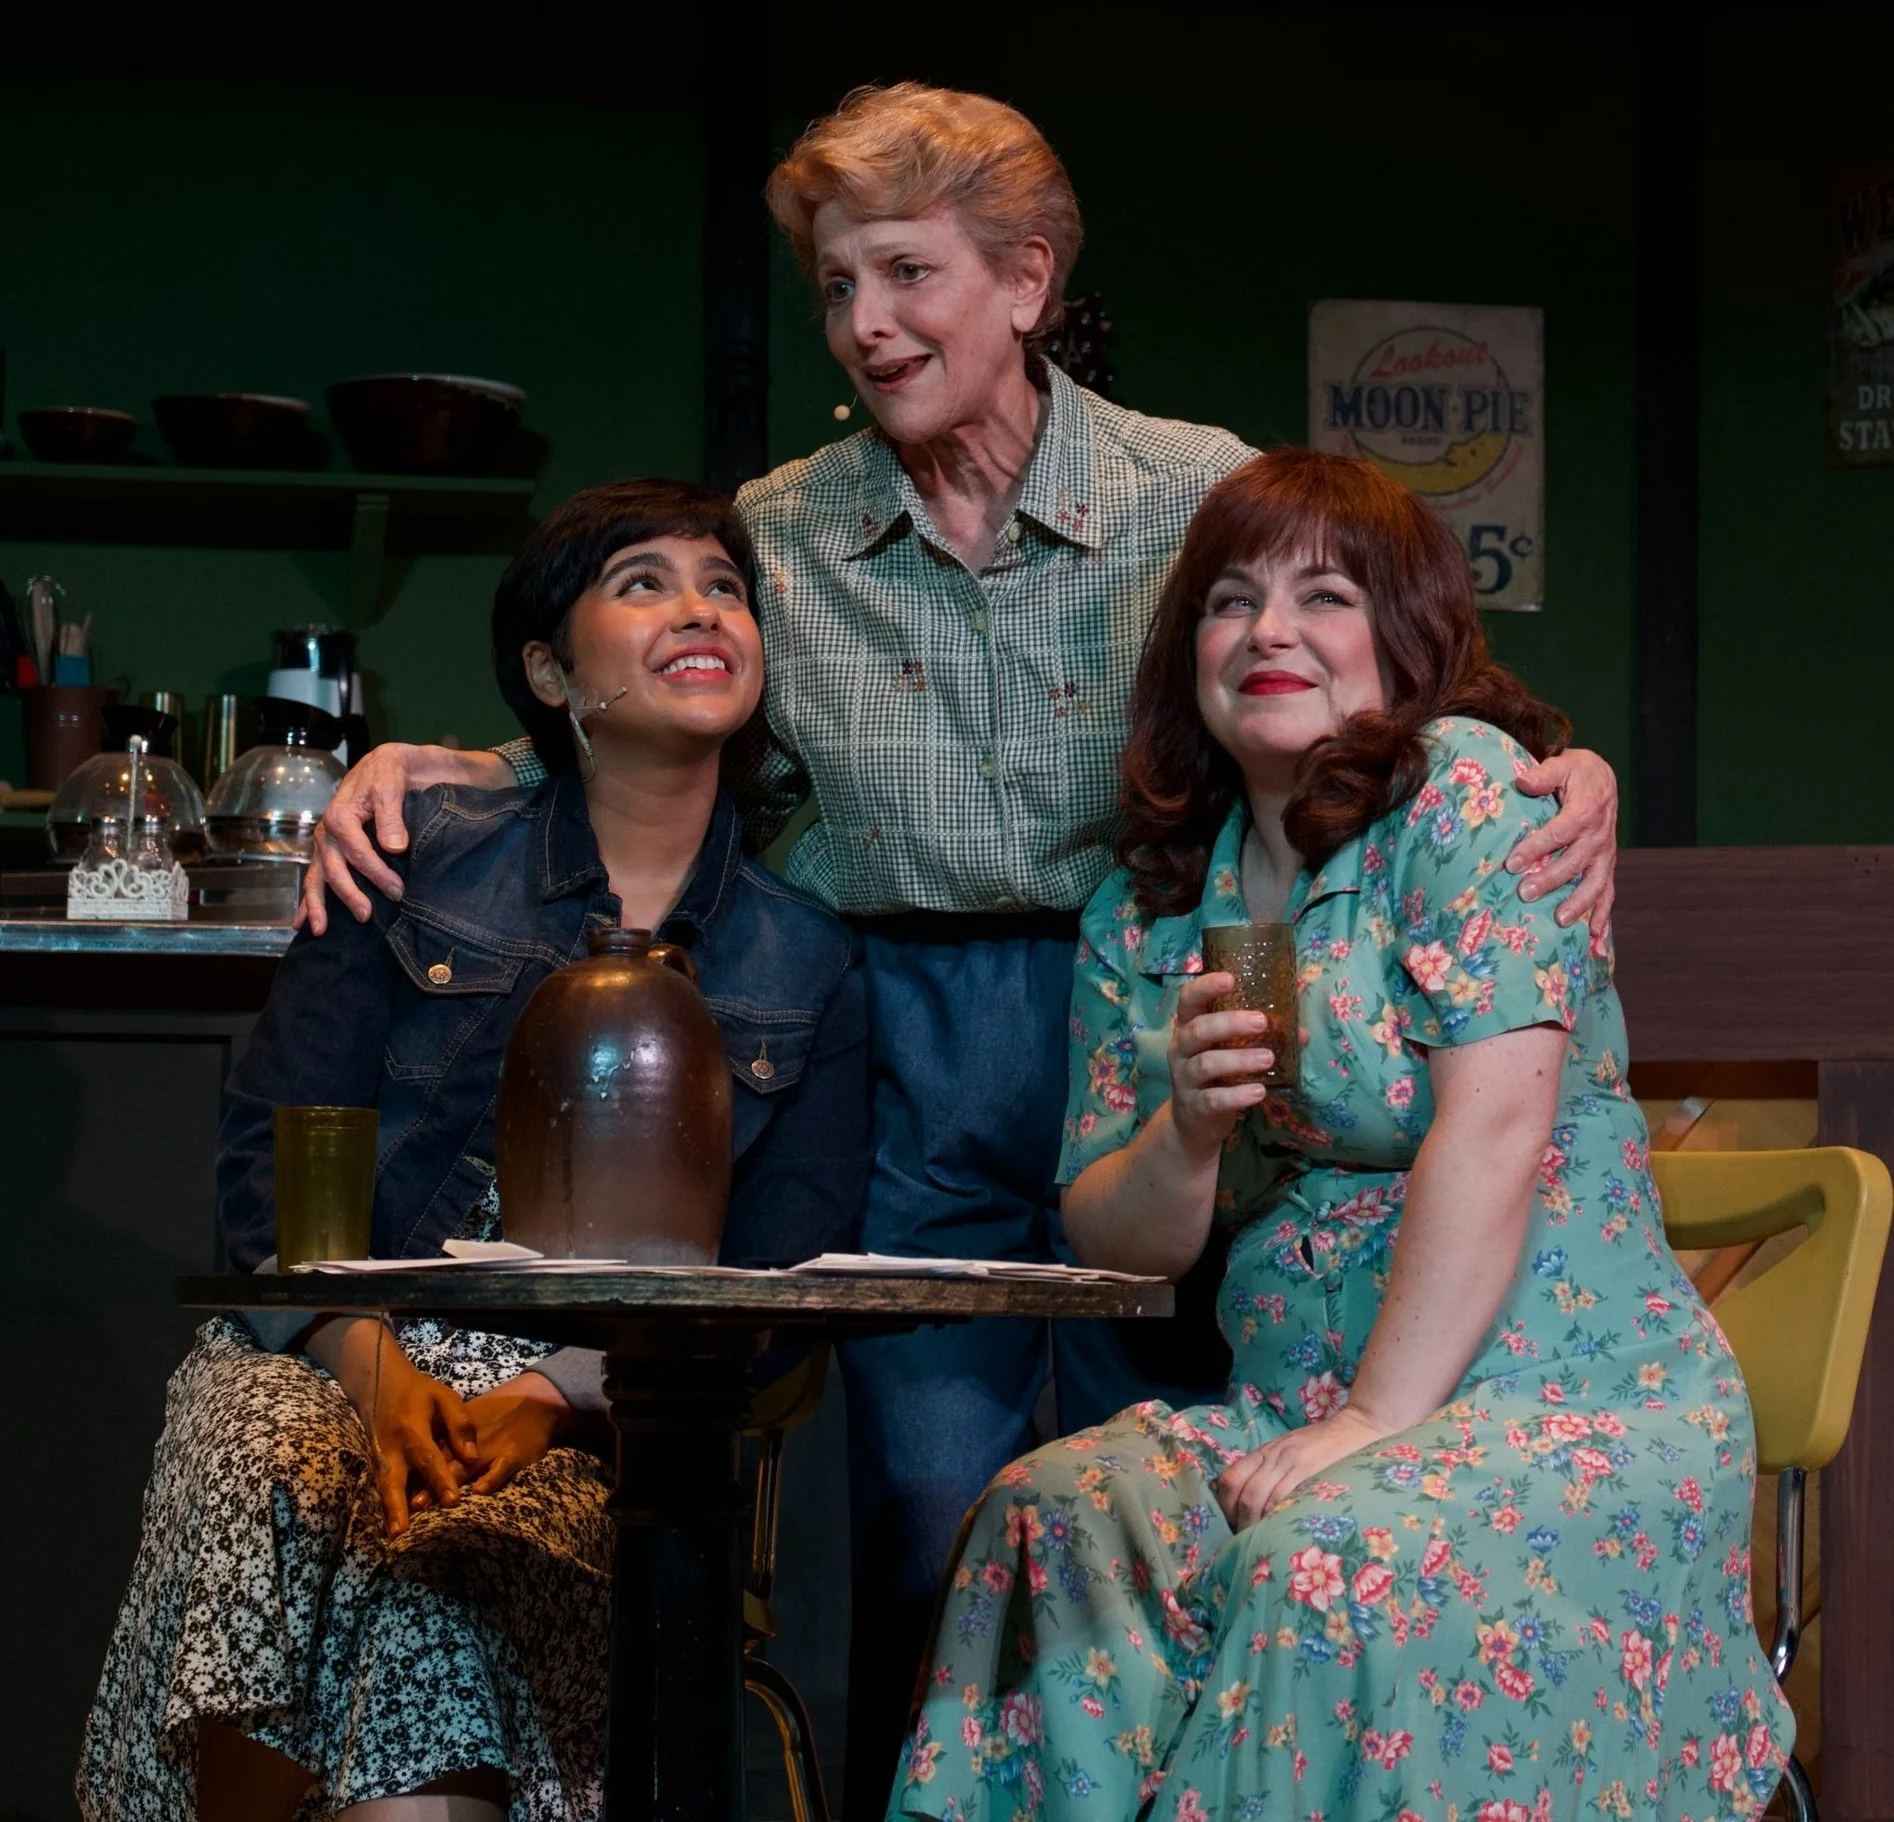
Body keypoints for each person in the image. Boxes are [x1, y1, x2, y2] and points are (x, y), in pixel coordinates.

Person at [291, 86, 1624, 1799]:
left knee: (1194, 1487)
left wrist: (1569, 768)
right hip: (900, 1033)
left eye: (906, 274)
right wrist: (423, 765)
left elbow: (1413, 687)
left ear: (1024, 281)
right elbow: (637, 691)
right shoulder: (781, 529)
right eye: (839, 286)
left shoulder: (1188, 491)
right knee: (932, 1512)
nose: (864, 323)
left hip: (1158, 1008)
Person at [884, 448, 1789, 1821]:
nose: (1267, 631)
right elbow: (1111, 1233)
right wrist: (1186, 1131)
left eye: (1324, 596)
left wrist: (1374, 1417)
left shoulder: (1464, 799)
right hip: (1287, 1412)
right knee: (1050, 1515)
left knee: (1329, 1557)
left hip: (1558, 1398)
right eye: (1229, 600)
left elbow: (1491, 1129)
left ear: (1403, 639)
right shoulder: (1149, 906)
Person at [77, 481, 871, 1822]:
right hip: (336, 1337)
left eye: (722, 586)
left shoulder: (809, 959)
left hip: (593, 1415)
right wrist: (366, 1355)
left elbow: (787, 1290)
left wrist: (555, 1394)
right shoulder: (411, 857)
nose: (698, 608)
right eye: (642, 582)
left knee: (450, 1560)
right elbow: (270, 1164)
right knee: (255, 1448)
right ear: (551, 671)